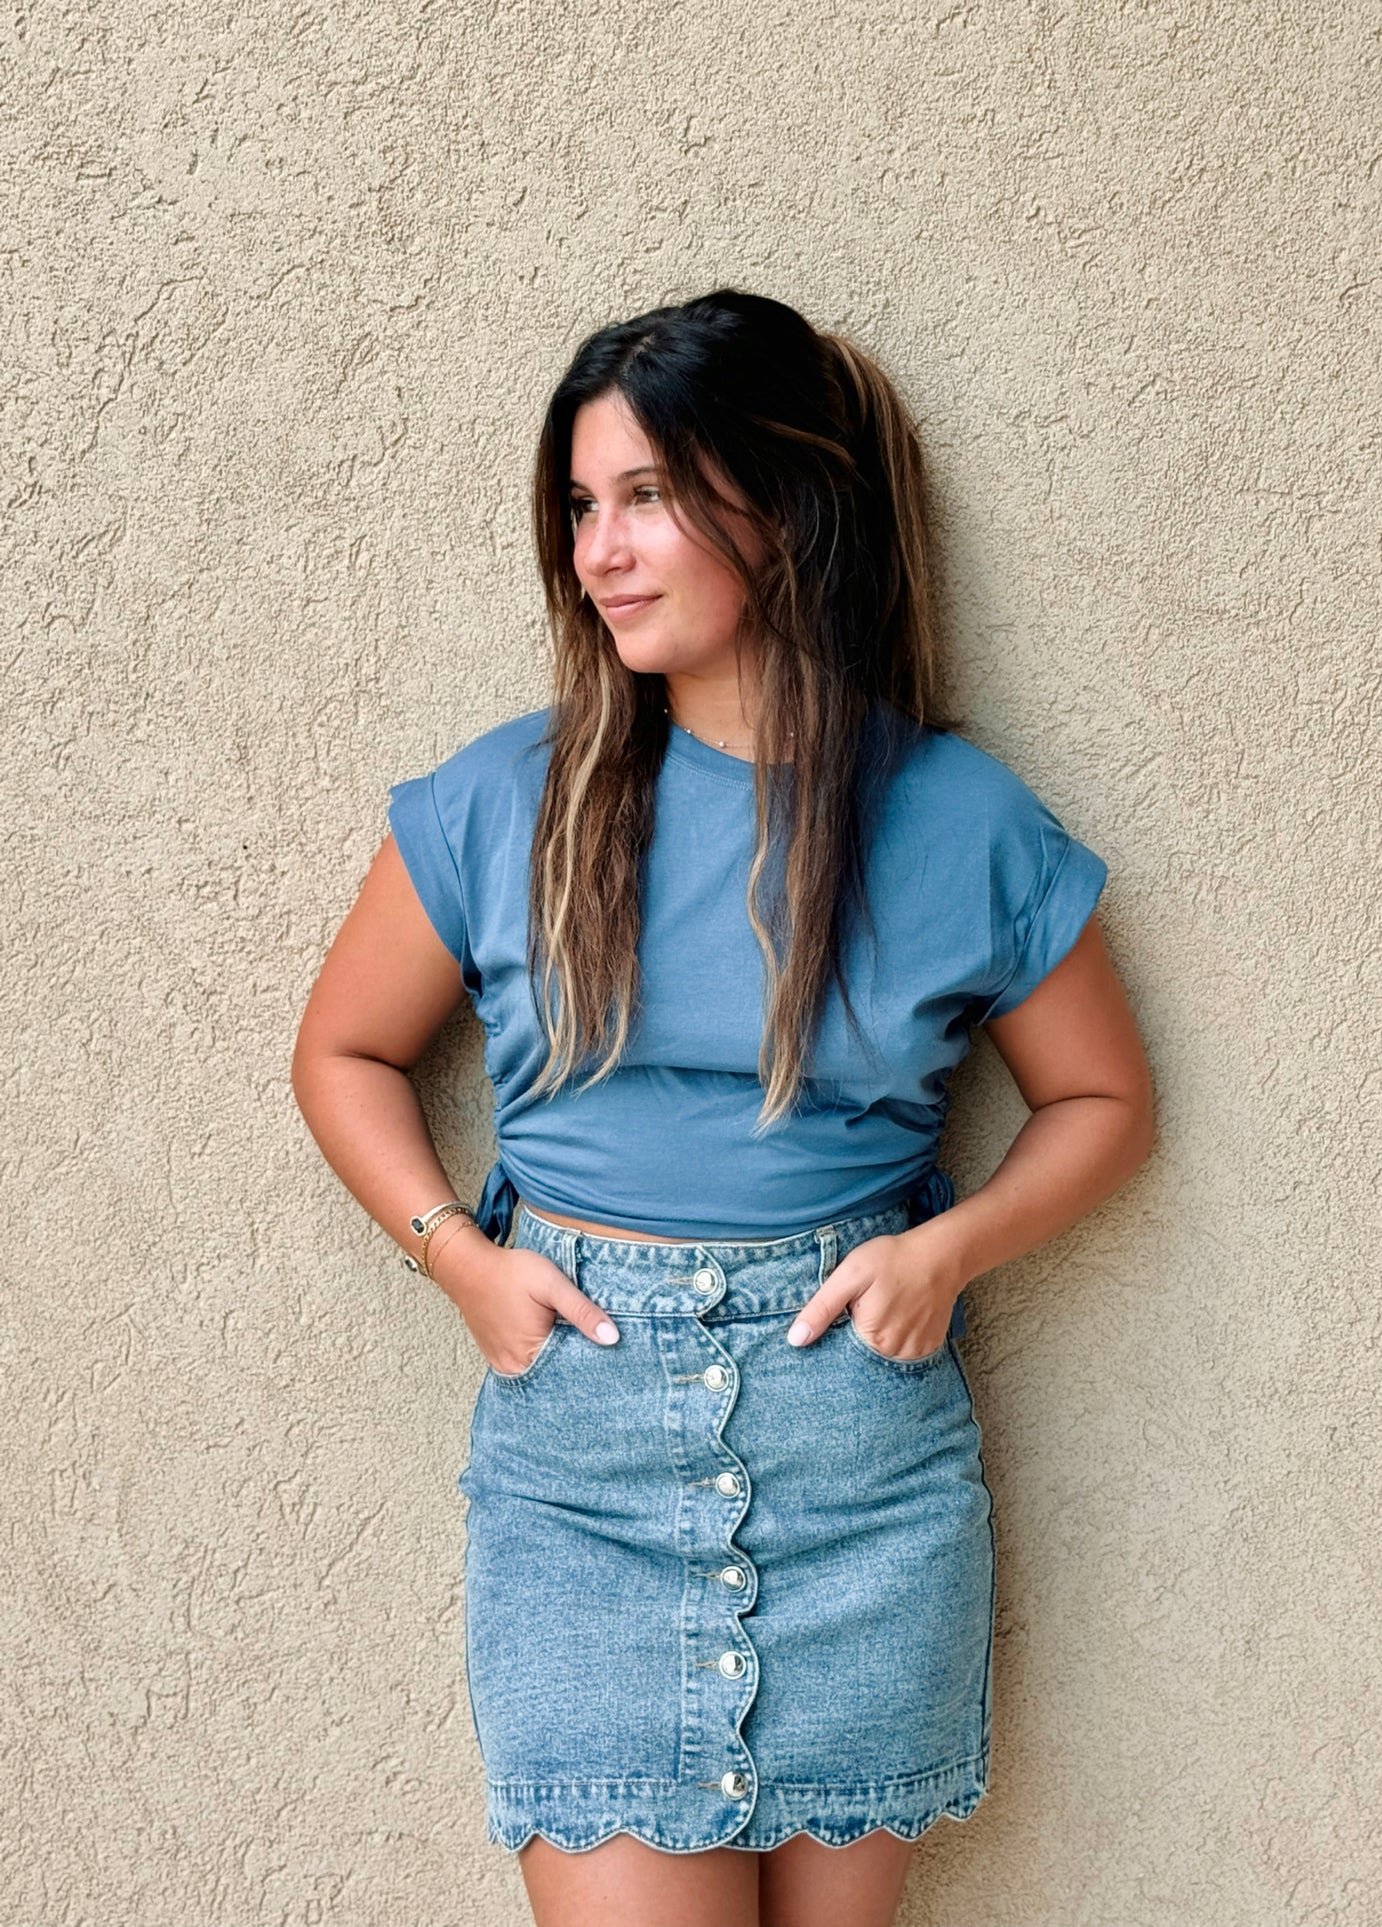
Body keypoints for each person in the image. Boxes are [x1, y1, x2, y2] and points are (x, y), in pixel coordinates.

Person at [290, 288, 1155, 1927]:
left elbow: (1102, 1098)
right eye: (577, 505)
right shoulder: (503, 800)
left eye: (646, 499)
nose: (598, 550)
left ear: (784, 504)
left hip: (857, 1456)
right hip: (584, 1462)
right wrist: (453, 1257)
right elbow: (340, 1054)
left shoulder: (954, 818)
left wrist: (949, 1251)